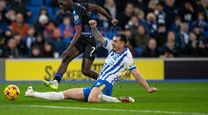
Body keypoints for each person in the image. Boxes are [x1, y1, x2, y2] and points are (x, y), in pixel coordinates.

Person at [25, 20, 157, 103]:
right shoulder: (112, 47)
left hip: (106, 85)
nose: (112, 42)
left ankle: (120, 100)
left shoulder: (127, 57)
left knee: (92, 99)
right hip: (97, 83)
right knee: (65, 94)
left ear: (123, 44)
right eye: (113, 40)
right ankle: (34, 93)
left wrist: (148, 88)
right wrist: (93, 28)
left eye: (116, 41)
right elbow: (99, 39)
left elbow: (136, 74)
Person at [42, 0, 118, 90]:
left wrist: (68, 49)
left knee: (85, 70)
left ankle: (106, 81)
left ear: (68, 2)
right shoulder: (79, 6)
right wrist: (110, 18)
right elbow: (96, 7)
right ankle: (56, 82)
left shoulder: (76, 12)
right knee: (66, 59)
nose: (60, 6)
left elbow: (77, 33)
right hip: (82, 39)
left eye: (61, 4)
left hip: (90, 40)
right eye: (59, 4)